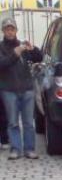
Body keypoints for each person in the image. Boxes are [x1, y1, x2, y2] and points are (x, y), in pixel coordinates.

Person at [0, 17, 42, 160]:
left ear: (16, 30)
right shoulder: (1, 47)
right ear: (3, 31)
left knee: (29, 122)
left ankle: (29, 150)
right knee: (12, 122)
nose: (10, 32)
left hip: (27, 89)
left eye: (12, 29)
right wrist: (15, 54)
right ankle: (16, 149)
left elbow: (39, 58)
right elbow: (2, 64)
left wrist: (33, 48)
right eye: (7, 29)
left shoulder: (22, 46)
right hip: (9, 90)